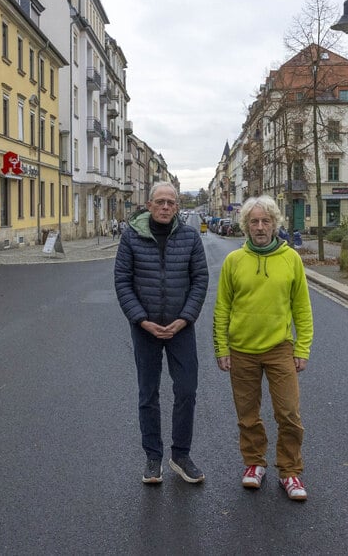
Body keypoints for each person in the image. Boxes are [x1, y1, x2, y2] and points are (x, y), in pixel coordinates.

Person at [213, 195, 313, 501]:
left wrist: (302, 348)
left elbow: (302, 308)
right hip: (241, 349)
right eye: (254, 221)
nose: (260, 227)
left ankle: (290, 471)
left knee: (289, 413)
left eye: (265, 221)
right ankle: (254, 464)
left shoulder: (290, 259)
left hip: (280, 348)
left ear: (274, 224)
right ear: (246, 225)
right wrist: (221, 347)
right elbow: (222, 308)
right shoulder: (233, 261)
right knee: (248, 415)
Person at [115, 182, 209, 485]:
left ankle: (180, 455)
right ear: (149, 204)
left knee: (186, 390)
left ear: (177, 206)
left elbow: (200, 280)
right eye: (160, 202)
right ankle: (153, 457)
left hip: (181, 328)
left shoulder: (190, 236)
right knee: (148, 394)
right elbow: (122, 282)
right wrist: (141, 320)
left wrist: (185, 318)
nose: (166, 207)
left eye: (171, 202)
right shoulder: (131, 237)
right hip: (145, 329)